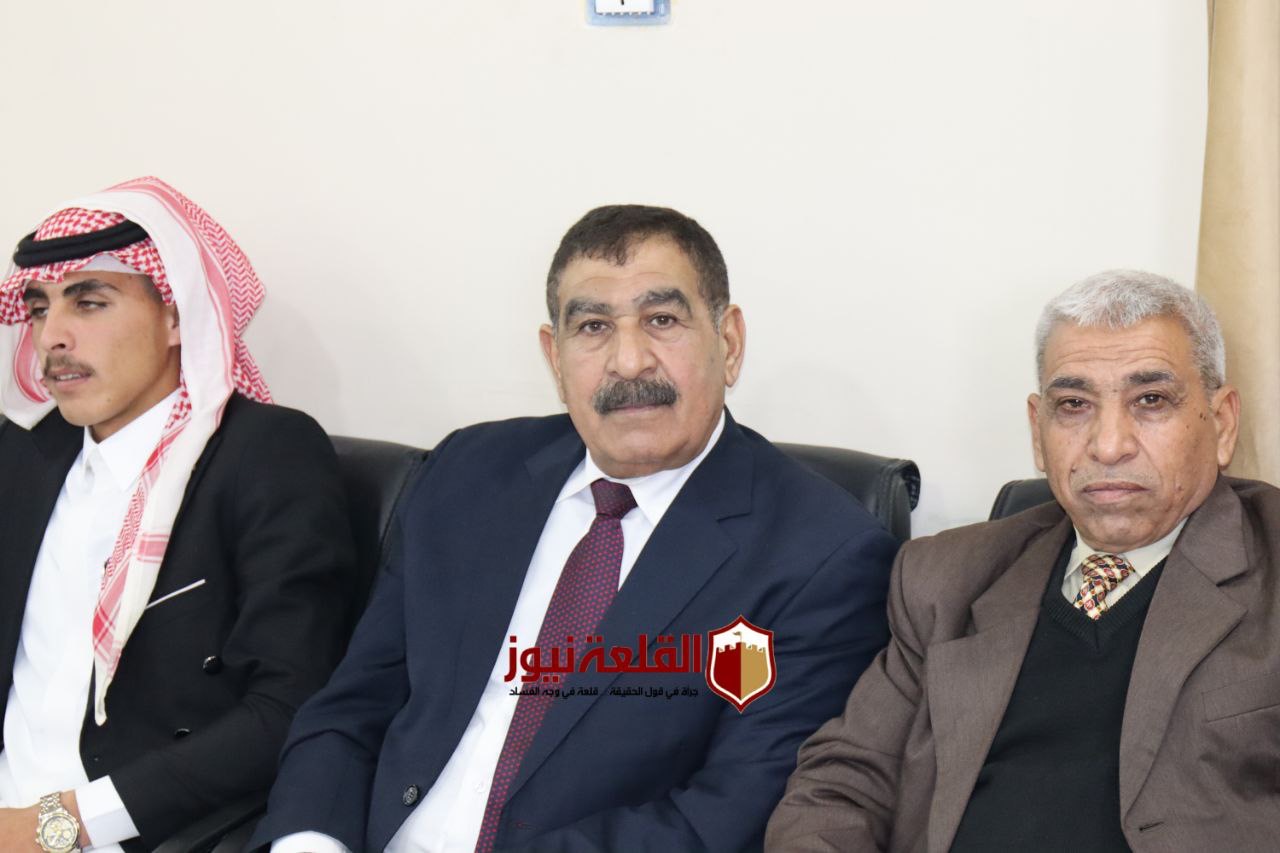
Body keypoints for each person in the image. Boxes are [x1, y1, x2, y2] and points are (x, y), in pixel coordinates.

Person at [252, 204, 899, 852]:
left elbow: (726, 815)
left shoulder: (821, 555)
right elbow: (355, 701)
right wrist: (309, 842)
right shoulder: (467, 474)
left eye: (662, 319)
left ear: (728, 343)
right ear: (555, 358)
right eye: (593, 326)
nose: (629, 361)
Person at [767, 270, 1280, 851]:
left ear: (1223, 423)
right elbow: (842, 784)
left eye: (1151, 401)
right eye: (1074, 405)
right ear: (1039, 431)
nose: (1109, 445)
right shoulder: (946, 577)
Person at [0, 177, 354, 853]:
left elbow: (286, 707)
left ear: (176, 316)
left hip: (121, 834)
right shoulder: (25, 455)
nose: (53, 337)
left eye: (90, 302)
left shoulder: (264, 455)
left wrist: (53, 828)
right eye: (40, 309)